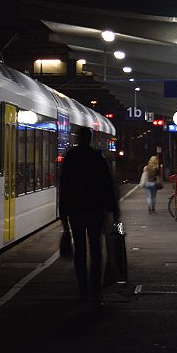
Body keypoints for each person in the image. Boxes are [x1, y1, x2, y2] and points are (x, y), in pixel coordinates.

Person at [58, 126, 120, 303]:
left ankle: (82, 289)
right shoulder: (97, 158)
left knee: (80, 252)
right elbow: (107, 186)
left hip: (76, 211)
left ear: (77, 138)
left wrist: (63, 217)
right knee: (96, 250)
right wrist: (114, 211)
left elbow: (64, 187)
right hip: (95, 211)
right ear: (90, 138)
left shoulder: (70, 158)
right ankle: (96, 289)